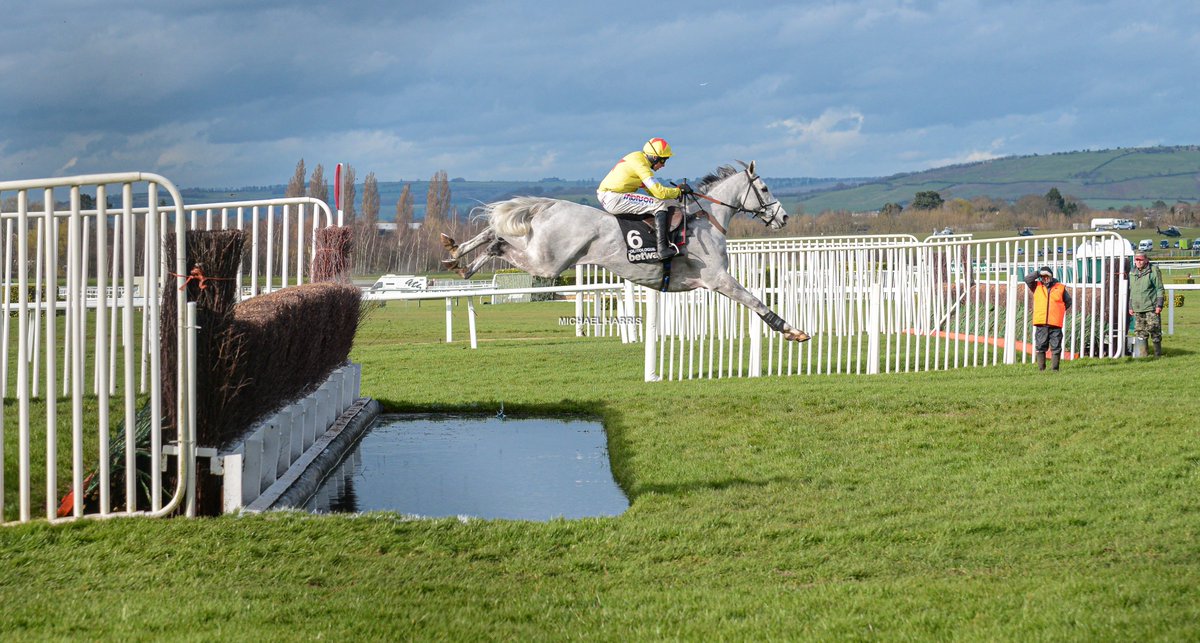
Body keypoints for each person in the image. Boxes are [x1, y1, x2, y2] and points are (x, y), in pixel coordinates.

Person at [597, 137, 692, 260]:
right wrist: (678, 191)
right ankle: (662, 249)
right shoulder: (641, 165)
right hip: (614, 197)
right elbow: (659, 193)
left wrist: (676, 193)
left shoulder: (639, 160)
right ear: (654, 157)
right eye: (663, 160)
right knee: (659, 205)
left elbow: (654, 192)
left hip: (611, 195)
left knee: (658, 203)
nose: (663, 165)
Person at [1024, 266, 1073, 371]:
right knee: (1040, 346)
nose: (1045, 278)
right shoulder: (1036, 286)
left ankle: (1055, 369)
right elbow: (1027, 279)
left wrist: (1058, 311)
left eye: (1047, 276)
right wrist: (1038, 272)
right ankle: (1042, 369)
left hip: (1055, 323)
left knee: (1056, 347)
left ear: (1051, 276)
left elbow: (1068, 302)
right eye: (1043, 277)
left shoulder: (1060, 287)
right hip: (1041, 323)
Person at [1128, 251, 1165, 357]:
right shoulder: (1132, 272)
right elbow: (1132, 290)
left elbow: (1159, 288)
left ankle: (1157, 355)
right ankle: (1144, 356)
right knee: (1140, 332)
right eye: (1136, 260)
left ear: (1146, 260)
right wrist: (1131, 306)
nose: (1138, 262)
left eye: (1140, 259)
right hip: (1137, 307)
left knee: (1154, 331)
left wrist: (1159, 305)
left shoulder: (1153, 270)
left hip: (1151, 307)